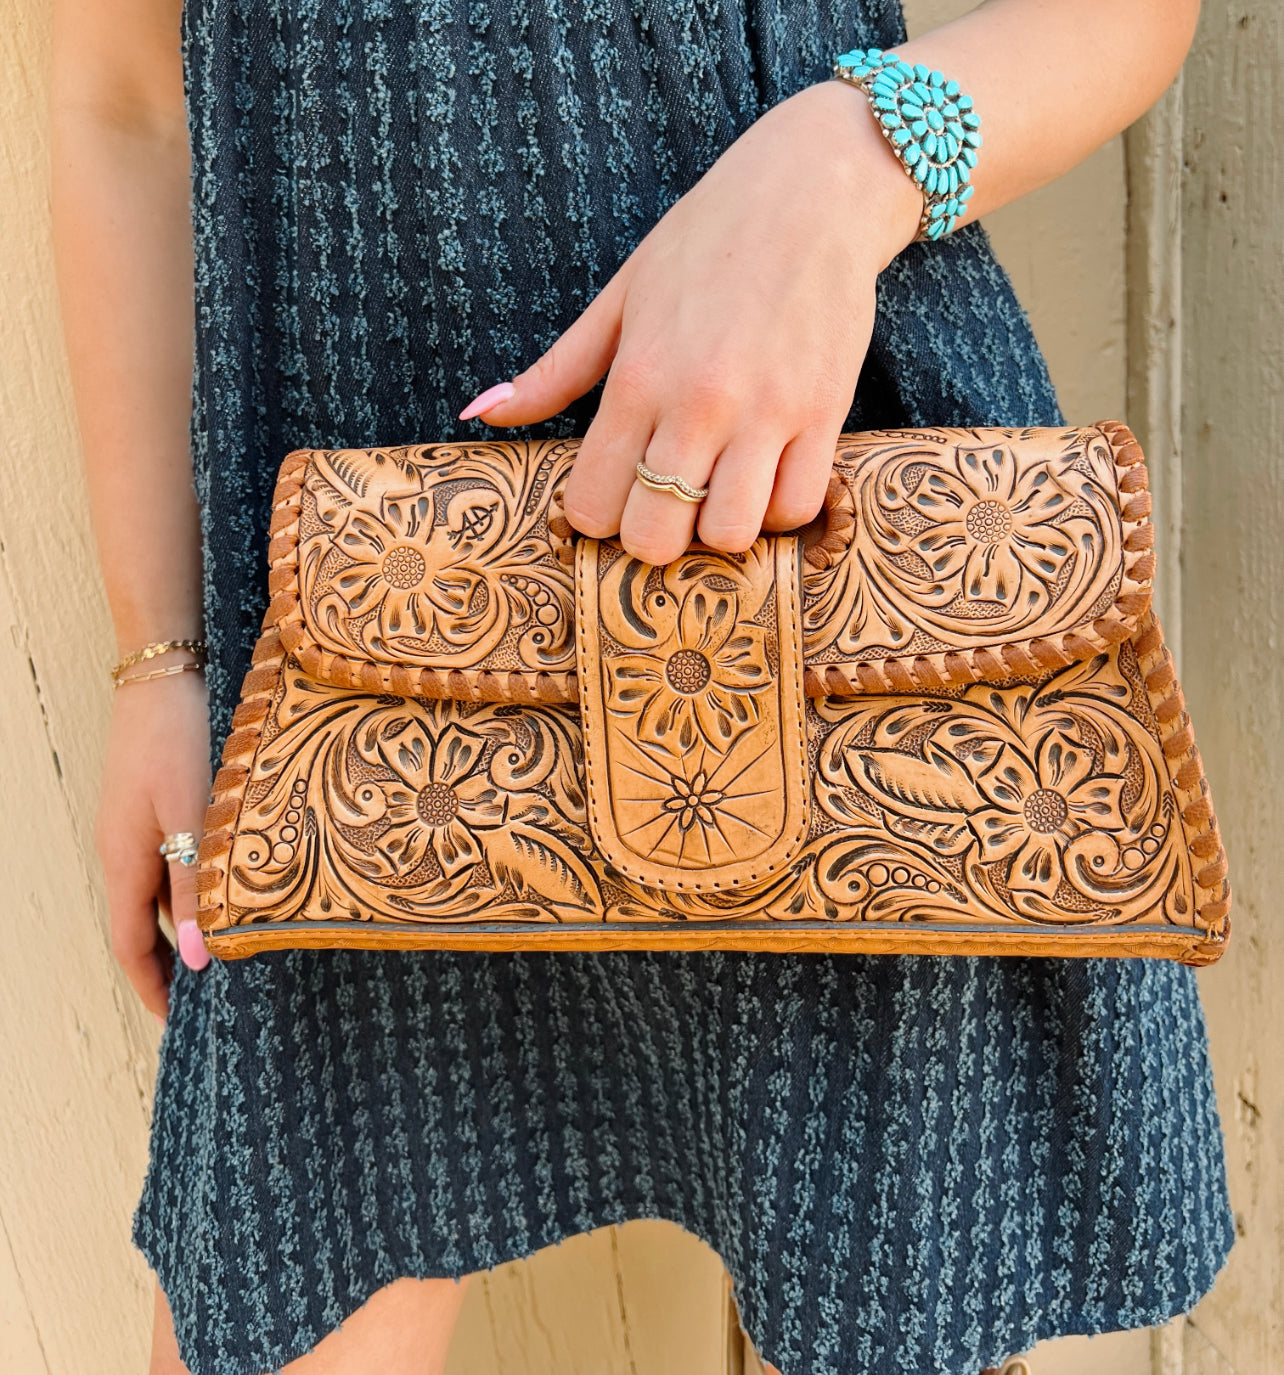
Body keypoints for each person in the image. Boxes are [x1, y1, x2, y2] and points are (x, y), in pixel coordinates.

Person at [50, 0, 1232, 1371]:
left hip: (830, 540)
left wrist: (851, 164)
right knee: (271, 1304)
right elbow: (123, 100)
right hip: (349, 645)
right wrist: (162, 661)